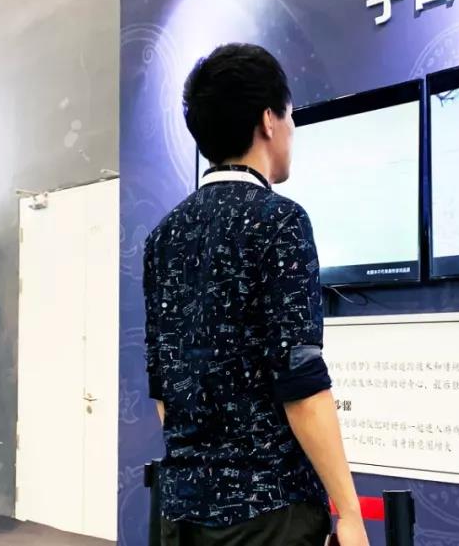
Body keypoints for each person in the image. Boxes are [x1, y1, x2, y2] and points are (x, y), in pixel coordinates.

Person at [142, 43, 369, 546]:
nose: (292, 128)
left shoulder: (163, 236)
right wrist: (350, 512)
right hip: (270, 513)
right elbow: (301, 383)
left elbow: (163, 389)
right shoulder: (280, 220)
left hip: (181, 515)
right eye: (290, 115)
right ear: (269, 119)